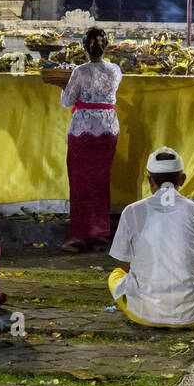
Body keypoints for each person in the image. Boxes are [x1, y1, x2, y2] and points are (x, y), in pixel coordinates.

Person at [108, 147, 194, 329]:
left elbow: (122, 261)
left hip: (142, 314)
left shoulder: (131, 211)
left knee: (116, 275)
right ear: (182, 179)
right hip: (192, 316)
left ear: (150, 180)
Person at [49, 26, 122, 254]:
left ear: (84, 47)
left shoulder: (80, 71)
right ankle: (99, 235)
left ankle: (80, 235)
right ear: (106, 46)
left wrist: (63, 86)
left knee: (80, 183)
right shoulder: (115, 70)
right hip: (108, 126)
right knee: (100, 181)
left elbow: (67, 102)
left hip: (83, 128)